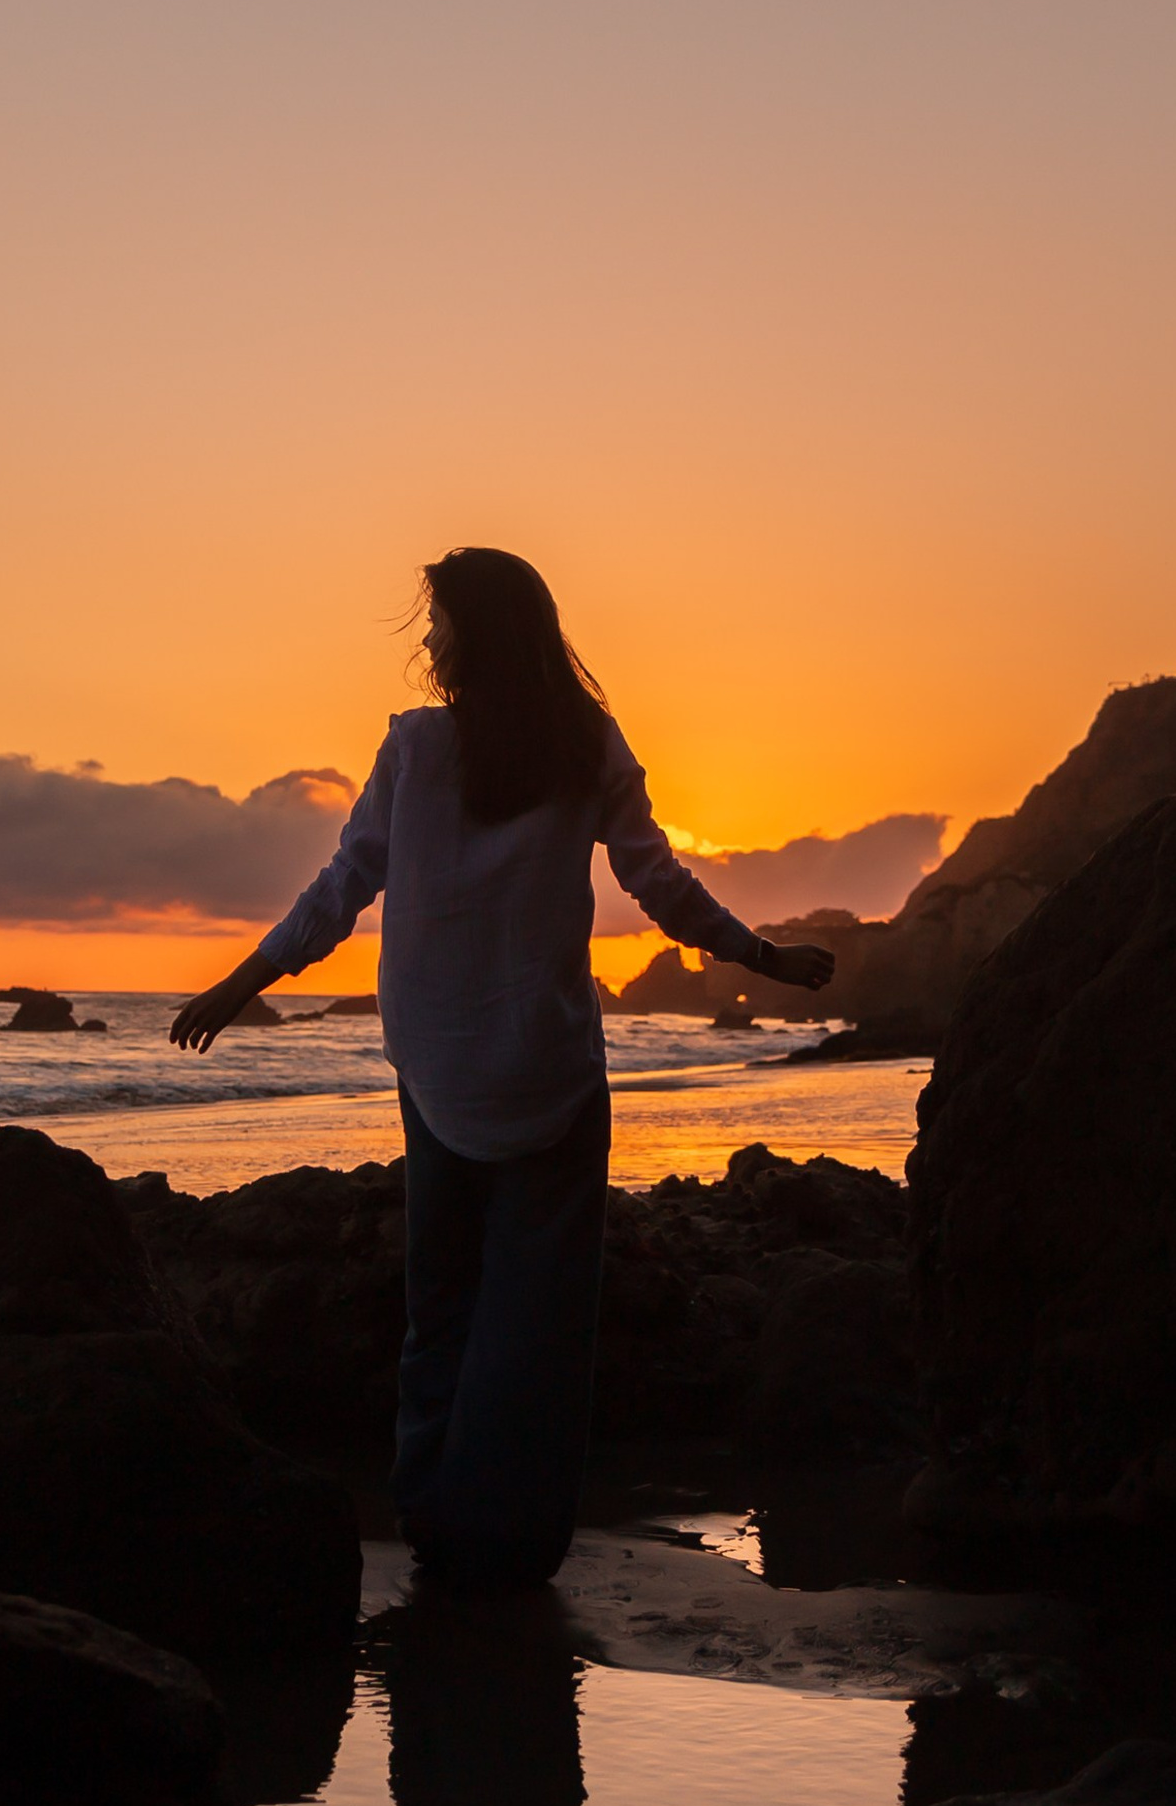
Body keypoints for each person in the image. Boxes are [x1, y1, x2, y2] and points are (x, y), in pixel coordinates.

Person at [171, 548, 834, 1583]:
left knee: (440, 1306)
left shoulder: (416, 747)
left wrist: (243, 979)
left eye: (438, 621)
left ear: (475, 632)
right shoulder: (584, 742)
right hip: (547, 1063)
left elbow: (343, 886)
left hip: (438, 1064)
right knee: (539, 1323)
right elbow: (658, 882)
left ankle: (432, 1515)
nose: (429, 640)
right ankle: (513, 1539)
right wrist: (758, 956)